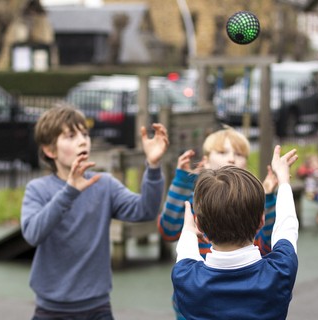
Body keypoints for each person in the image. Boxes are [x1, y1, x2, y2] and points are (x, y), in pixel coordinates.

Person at [21, 104, 169, 319]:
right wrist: (69, 191)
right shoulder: (38, 190)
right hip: (51, 310)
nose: (82, 140)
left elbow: (145, 211)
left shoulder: (104, 184)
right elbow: (33, 234)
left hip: (97, 308)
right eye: (71, 136)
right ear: (49, 150)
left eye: (85, 134)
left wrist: (153, 166)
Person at [157, 127, 278, 318]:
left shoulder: (250, 203)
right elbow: (169, 230)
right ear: (204, 161)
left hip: (242, 294)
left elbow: (268, 243)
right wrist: (181, 181)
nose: (231, 158)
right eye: (222, 152)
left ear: (245, 163)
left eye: (238, 154)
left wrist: (268, 198)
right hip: (195, 299)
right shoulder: (197, 200)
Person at [171, 145, 299, 320]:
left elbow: (186, 249)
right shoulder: (280, 271)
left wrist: (188, 228)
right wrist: (283, 179)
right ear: (261, 220)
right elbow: (287, 225)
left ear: (199, 225)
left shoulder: (186, 278)